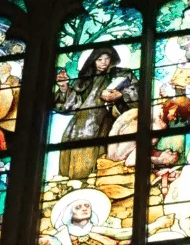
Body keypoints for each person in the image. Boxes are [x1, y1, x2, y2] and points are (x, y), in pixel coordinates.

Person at [54, 46, 139, 180]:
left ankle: (88, 180)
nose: (103, 62)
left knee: (97, 150)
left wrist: (121, 95)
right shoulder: (84, 80)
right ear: (93, 60)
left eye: (107, 59)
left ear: (112, 59)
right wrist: (64, 87)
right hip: (78, 123)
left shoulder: (122, 75)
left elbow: (139, 94)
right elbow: (69, 105)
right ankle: (70, 182)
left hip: (106, 120)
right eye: (99, 59)